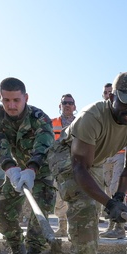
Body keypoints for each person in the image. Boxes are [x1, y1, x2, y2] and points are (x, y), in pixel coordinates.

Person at [47, 72, 127, 254]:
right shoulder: (92, 116)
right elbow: (79, 168)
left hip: (95, 159)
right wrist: (109, 204)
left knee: (94, 208)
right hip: (67, 155)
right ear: (111, 98)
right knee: (84, 202)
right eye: (126, 103)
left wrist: (118, 197)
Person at [0, 77, 56, 254]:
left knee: (38, 217)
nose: (11, 105)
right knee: (4, 213)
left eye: (16, 100)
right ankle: (18, 253)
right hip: (15, 172)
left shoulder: (39, 118)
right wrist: (10, 169)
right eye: (6, 100)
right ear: (0, 97)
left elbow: (43, 147)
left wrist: (32, 170)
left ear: (25, 97)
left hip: (41, 170)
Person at [99, 82, 127, 239]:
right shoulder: (101, 113)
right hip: (105, 157)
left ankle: (120, 226)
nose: (107, 94)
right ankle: (112, 225)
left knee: (118, 190)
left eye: (110, 91)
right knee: (108, 192)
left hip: (120, 155)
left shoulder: (122, 110)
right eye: (105, 92)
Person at [51, 94, 77, 238]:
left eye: (70, 103)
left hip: (77, 164)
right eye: (64, 103)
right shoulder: (52, 122)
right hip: (59, 165)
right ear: (60, 105)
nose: (67, 105)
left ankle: (75, 228)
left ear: (74, 106)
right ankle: (62, 227)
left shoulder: (81, 122)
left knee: (77, 196)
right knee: (60, 196)